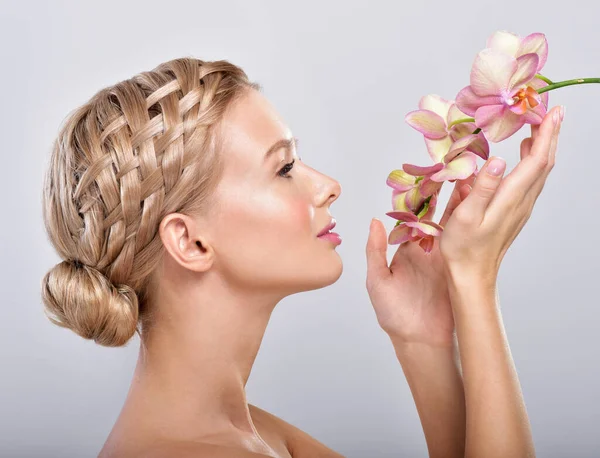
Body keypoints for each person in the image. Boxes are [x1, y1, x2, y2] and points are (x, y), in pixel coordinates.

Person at [40, 56, 562, 458]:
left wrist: (420, 337)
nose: (328, 186)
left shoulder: (250, 433)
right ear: (191, 242)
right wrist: (475, 281)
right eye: (284, 168)